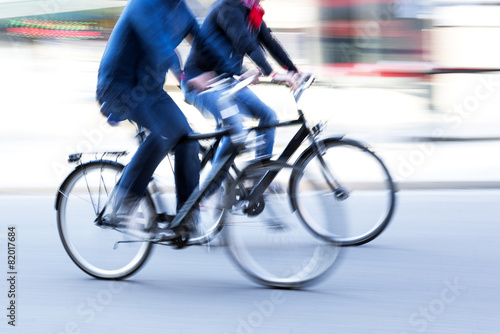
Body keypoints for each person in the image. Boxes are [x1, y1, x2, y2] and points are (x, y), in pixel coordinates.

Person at [96, 0, 231, 237]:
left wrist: (234, 73)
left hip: (151, 92)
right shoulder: (143, 5)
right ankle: (121, 204)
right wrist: (186, 78)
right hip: (118, 88)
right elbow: (160, 48)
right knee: (163, 135)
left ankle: (186, 218)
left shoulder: (181, 10)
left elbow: (205, 43)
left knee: (187, 138)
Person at [181, 0, 300, 188]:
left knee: (268, 116)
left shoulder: (251, 11)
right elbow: (245, 43)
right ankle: (210, 193)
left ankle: (256, 181)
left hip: (228, 82)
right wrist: (273, 74)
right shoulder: (227, 7)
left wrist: (294, 71)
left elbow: (269, 42)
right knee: (237, 127)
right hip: (201, 83)